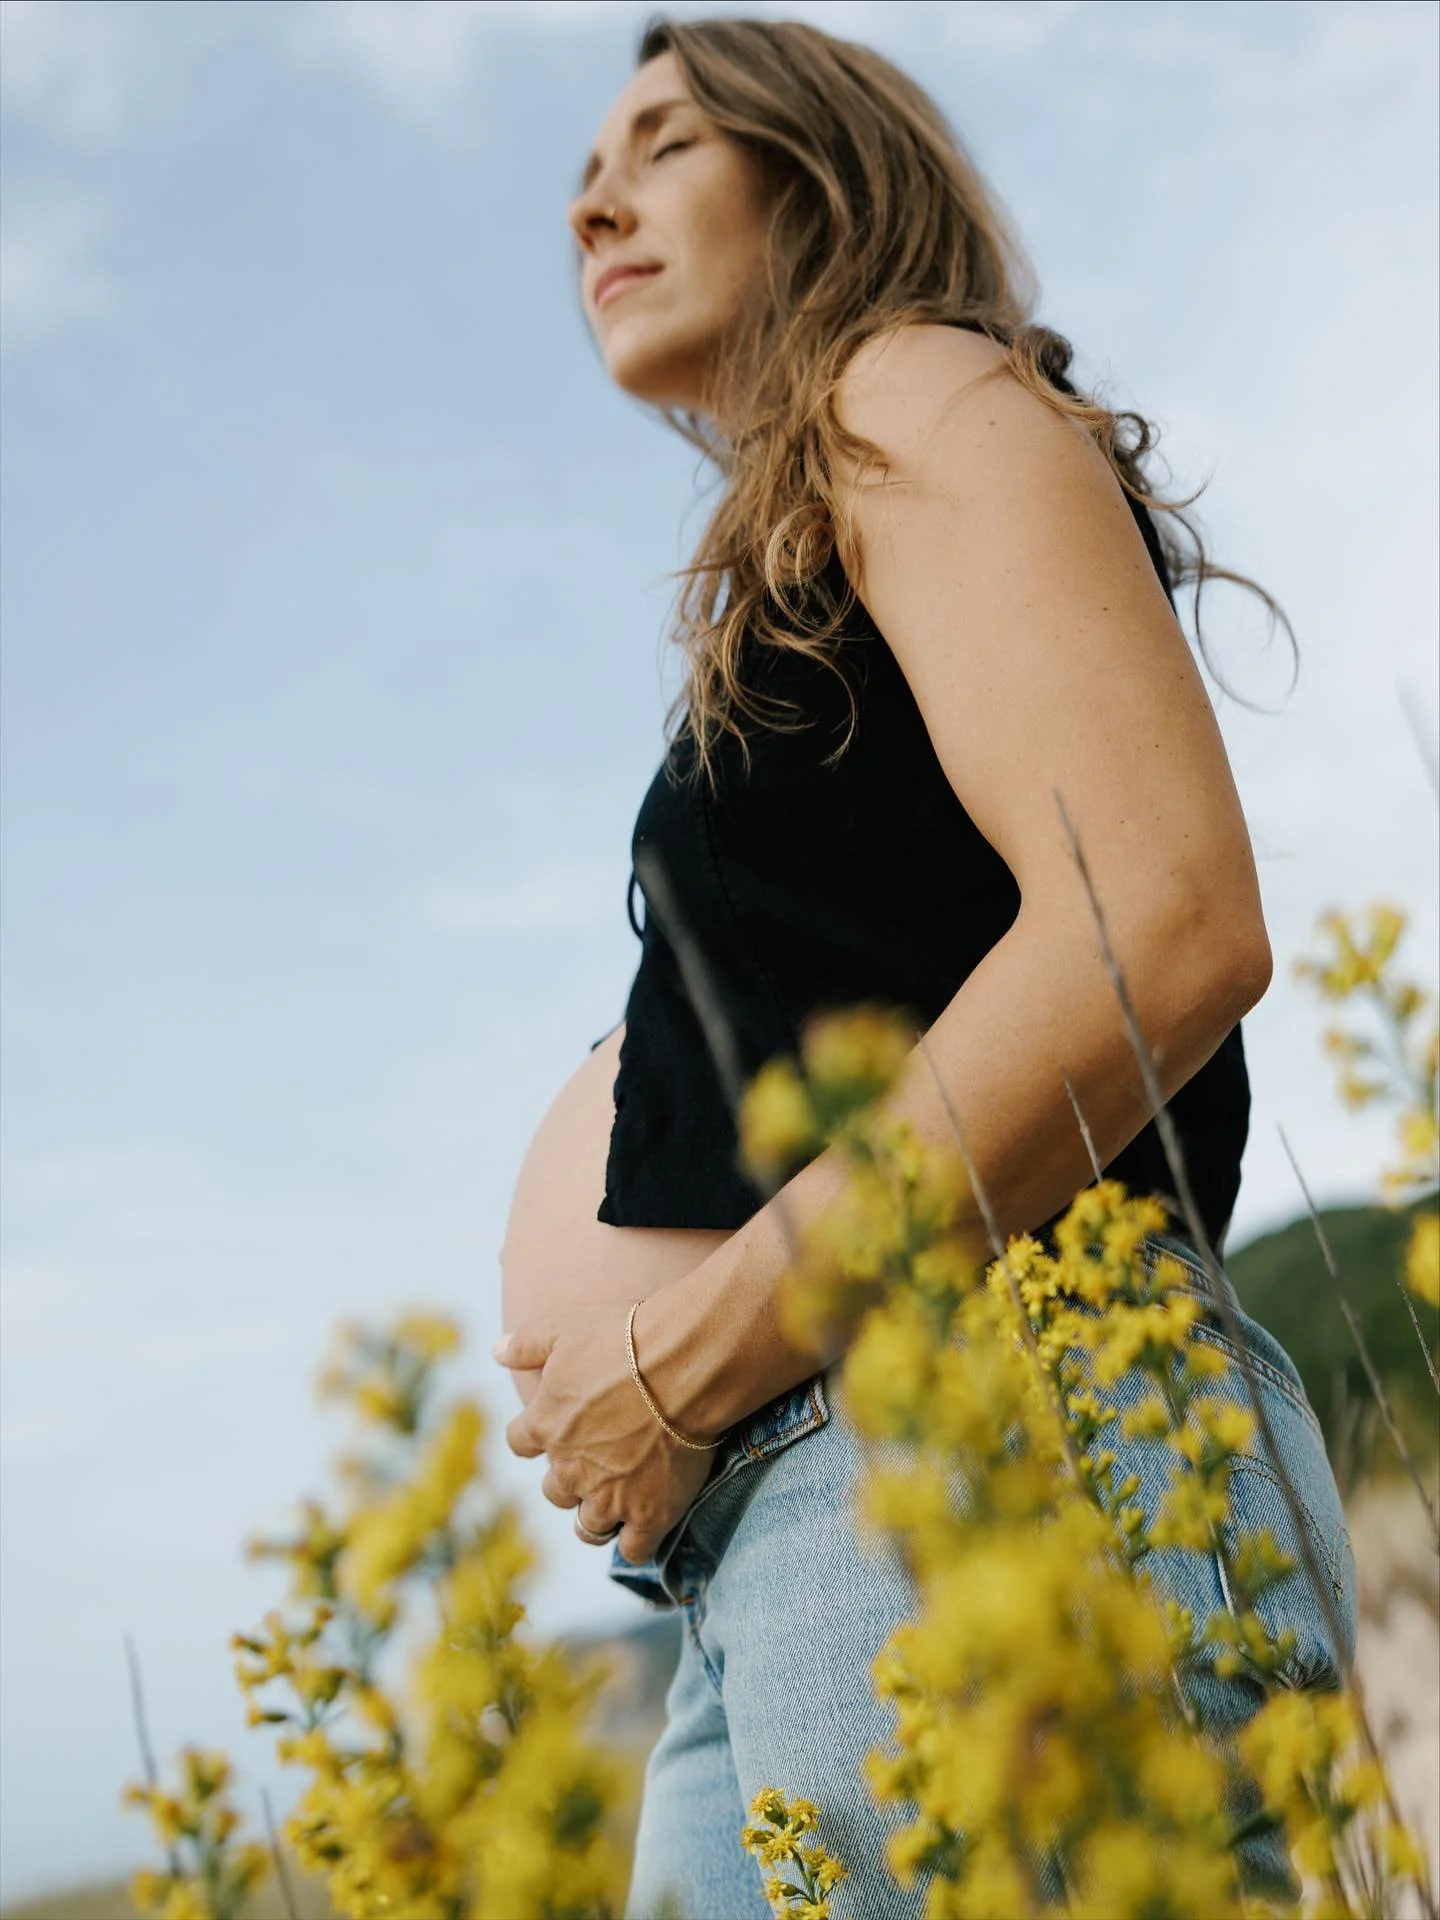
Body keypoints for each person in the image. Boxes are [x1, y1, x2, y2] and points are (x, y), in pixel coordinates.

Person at [491, 15, 1357, 1916]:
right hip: (788, 1525)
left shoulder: (917, 392)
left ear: (816, 165)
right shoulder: (826, 529)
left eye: (665, 135)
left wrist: (690, 1356)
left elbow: (1166, 924)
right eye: (585, 160)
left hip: (971, 1448)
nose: (589, 195)